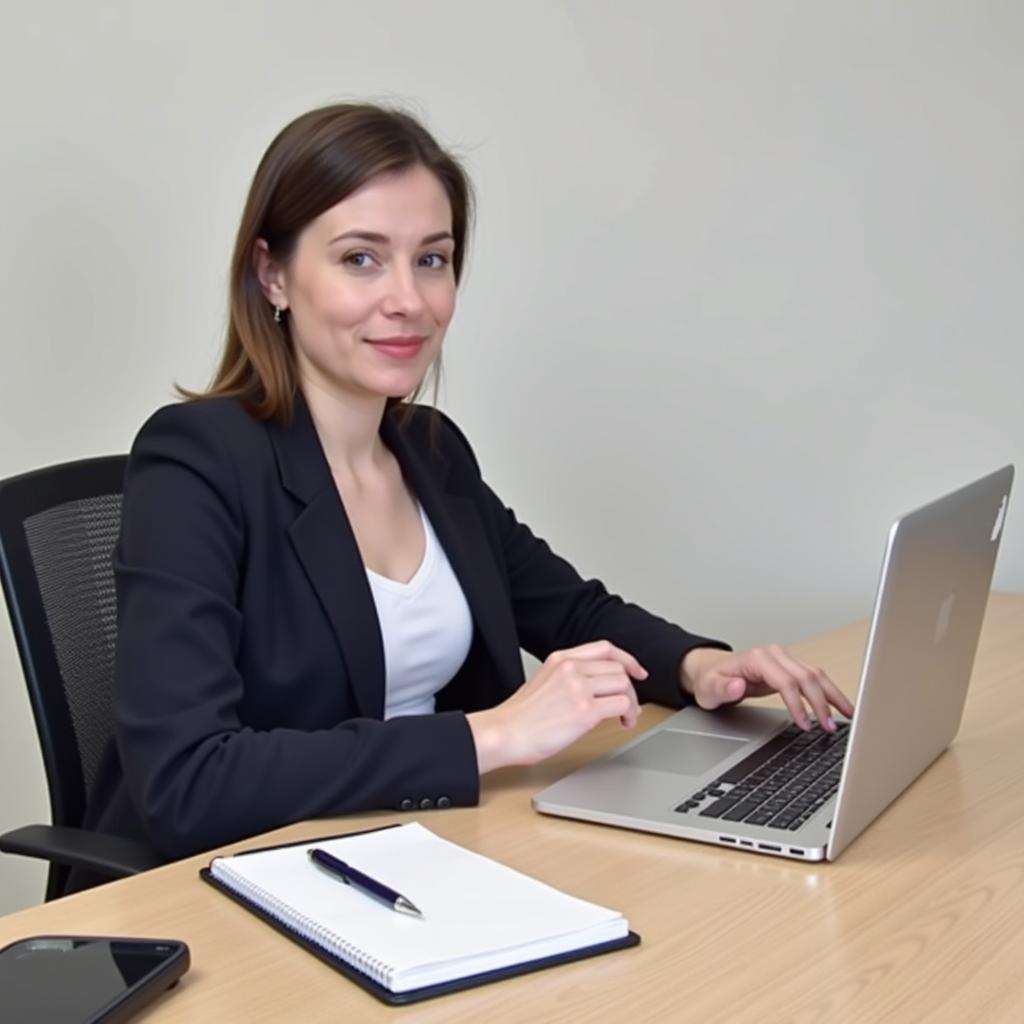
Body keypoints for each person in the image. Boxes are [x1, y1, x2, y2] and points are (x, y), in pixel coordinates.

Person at [84, 103, 854, 872]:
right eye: (360, 258)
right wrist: (493, 737)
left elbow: (570, 610)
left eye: (432, 259)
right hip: (238, 883)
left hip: (423, 854)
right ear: (273, 274)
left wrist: (699, 668)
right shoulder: (195, 462)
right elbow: (188, 781)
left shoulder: (430, 453)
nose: (409, 300)